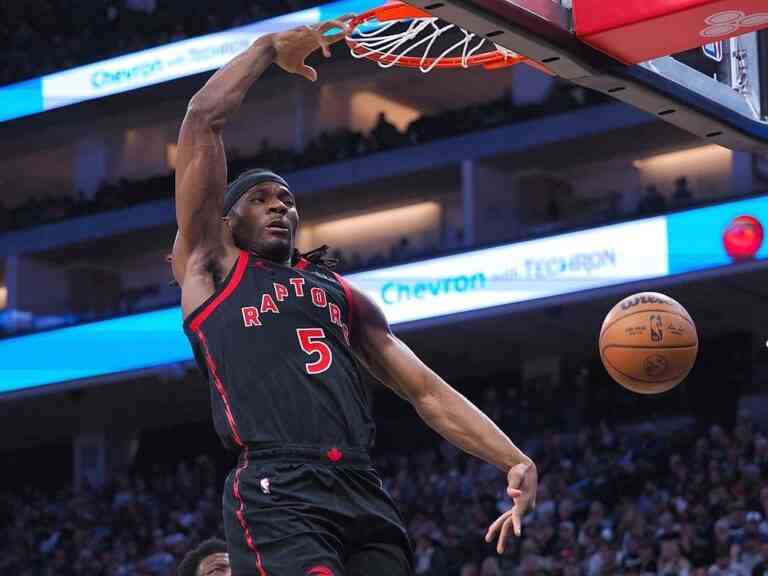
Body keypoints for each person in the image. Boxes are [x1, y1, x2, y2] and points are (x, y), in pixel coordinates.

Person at [172, 16, 537, 576]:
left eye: (287, 199)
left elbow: (426, 392)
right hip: (280, 486)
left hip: (362, 488)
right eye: (261, 198)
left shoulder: (341, 295)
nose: (279, 206)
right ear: (225, 221)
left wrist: (510, 457)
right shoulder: (212, 266)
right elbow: (202, 119)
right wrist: (267, 48)